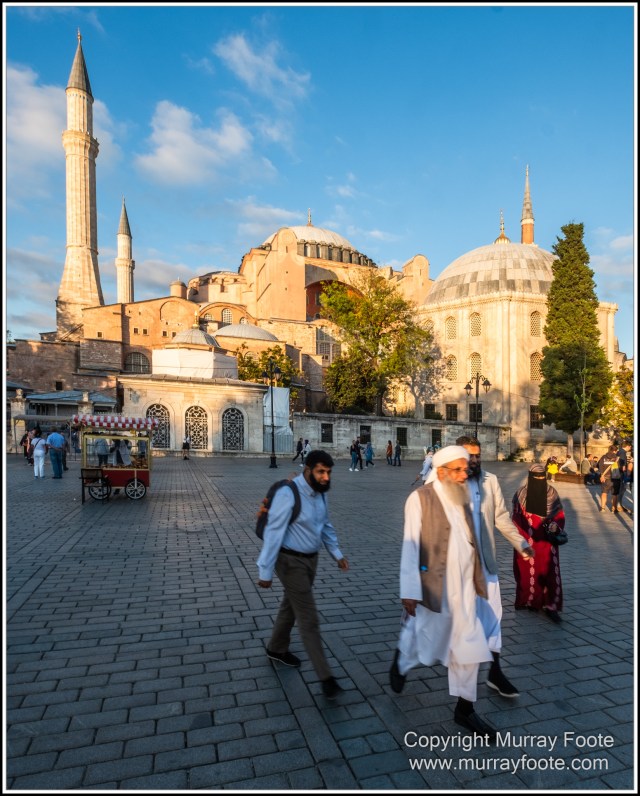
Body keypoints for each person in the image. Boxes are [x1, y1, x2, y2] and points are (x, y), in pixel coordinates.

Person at [388, 445, 497, 739]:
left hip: (464, 592)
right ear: (442, 471)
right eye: (459, 470)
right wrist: (409, 591)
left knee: (470, 647)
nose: (466, 474)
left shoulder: (461, 495)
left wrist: (479, 578)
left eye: (466, 469)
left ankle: (465, 709)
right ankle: (402, 659)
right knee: (423, 638)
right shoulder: (419, 498)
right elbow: (411, 545)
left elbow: (471, 539)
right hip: (434, 586)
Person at [256, 450, 349, 700]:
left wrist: (337, 553)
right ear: (307, 470)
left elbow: (325, 525)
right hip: (289, 561)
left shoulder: (320, 494)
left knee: (291, 604)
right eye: (320, 471)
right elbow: (274, 532)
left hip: (311, 561)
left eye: (328, 472)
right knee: (308, 618)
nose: (325, 477)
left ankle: (276, 648)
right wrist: (265, 571)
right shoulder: (289, 493)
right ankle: (326, 678)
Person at [453, 436, 534, 698]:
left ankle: (495, 672)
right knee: (439, 622)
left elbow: (500, 517)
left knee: (493, 616)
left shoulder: (490, 481)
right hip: (457, 566)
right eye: (469, 455)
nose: (474, 460)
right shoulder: (445, 481)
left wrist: (521, 543)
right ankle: (404, 655)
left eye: (477, 455)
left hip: (485, 563)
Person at [511, 464, 566, 623]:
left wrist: (556, 525)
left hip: (547, 541)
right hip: (527, 539)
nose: (540, 480)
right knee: (527, 571)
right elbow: (516, 518)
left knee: (550, 572)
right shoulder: (521, 494)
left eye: (542, 477)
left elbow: (559, 514)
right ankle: (530, 601)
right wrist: (520, 539)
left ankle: (551, 606)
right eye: (536, 477)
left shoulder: (551, 493)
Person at [597, 445, 620, 513]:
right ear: (614, 451)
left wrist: (602, 475)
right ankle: (613, 508)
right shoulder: (617, 458)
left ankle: (603, 508)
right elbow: (620, 468)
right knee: (614, 494)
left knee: (604, 493)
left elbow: (599, 466)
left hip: (605, 478)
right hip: (615, 478)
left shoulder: (603, 457)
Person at [613, 439, 632, 514]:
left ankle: (618, 504)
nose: (630, 448)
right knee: (622, 489)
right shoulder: (623, 453)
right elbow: (623, 465)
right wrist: (626, 473)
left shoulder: (619, 451)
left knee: (620, 489)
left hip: (617, 472)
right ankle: (618, 505)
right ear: (627, 446)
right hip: (621, 473)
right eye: (630, 447)